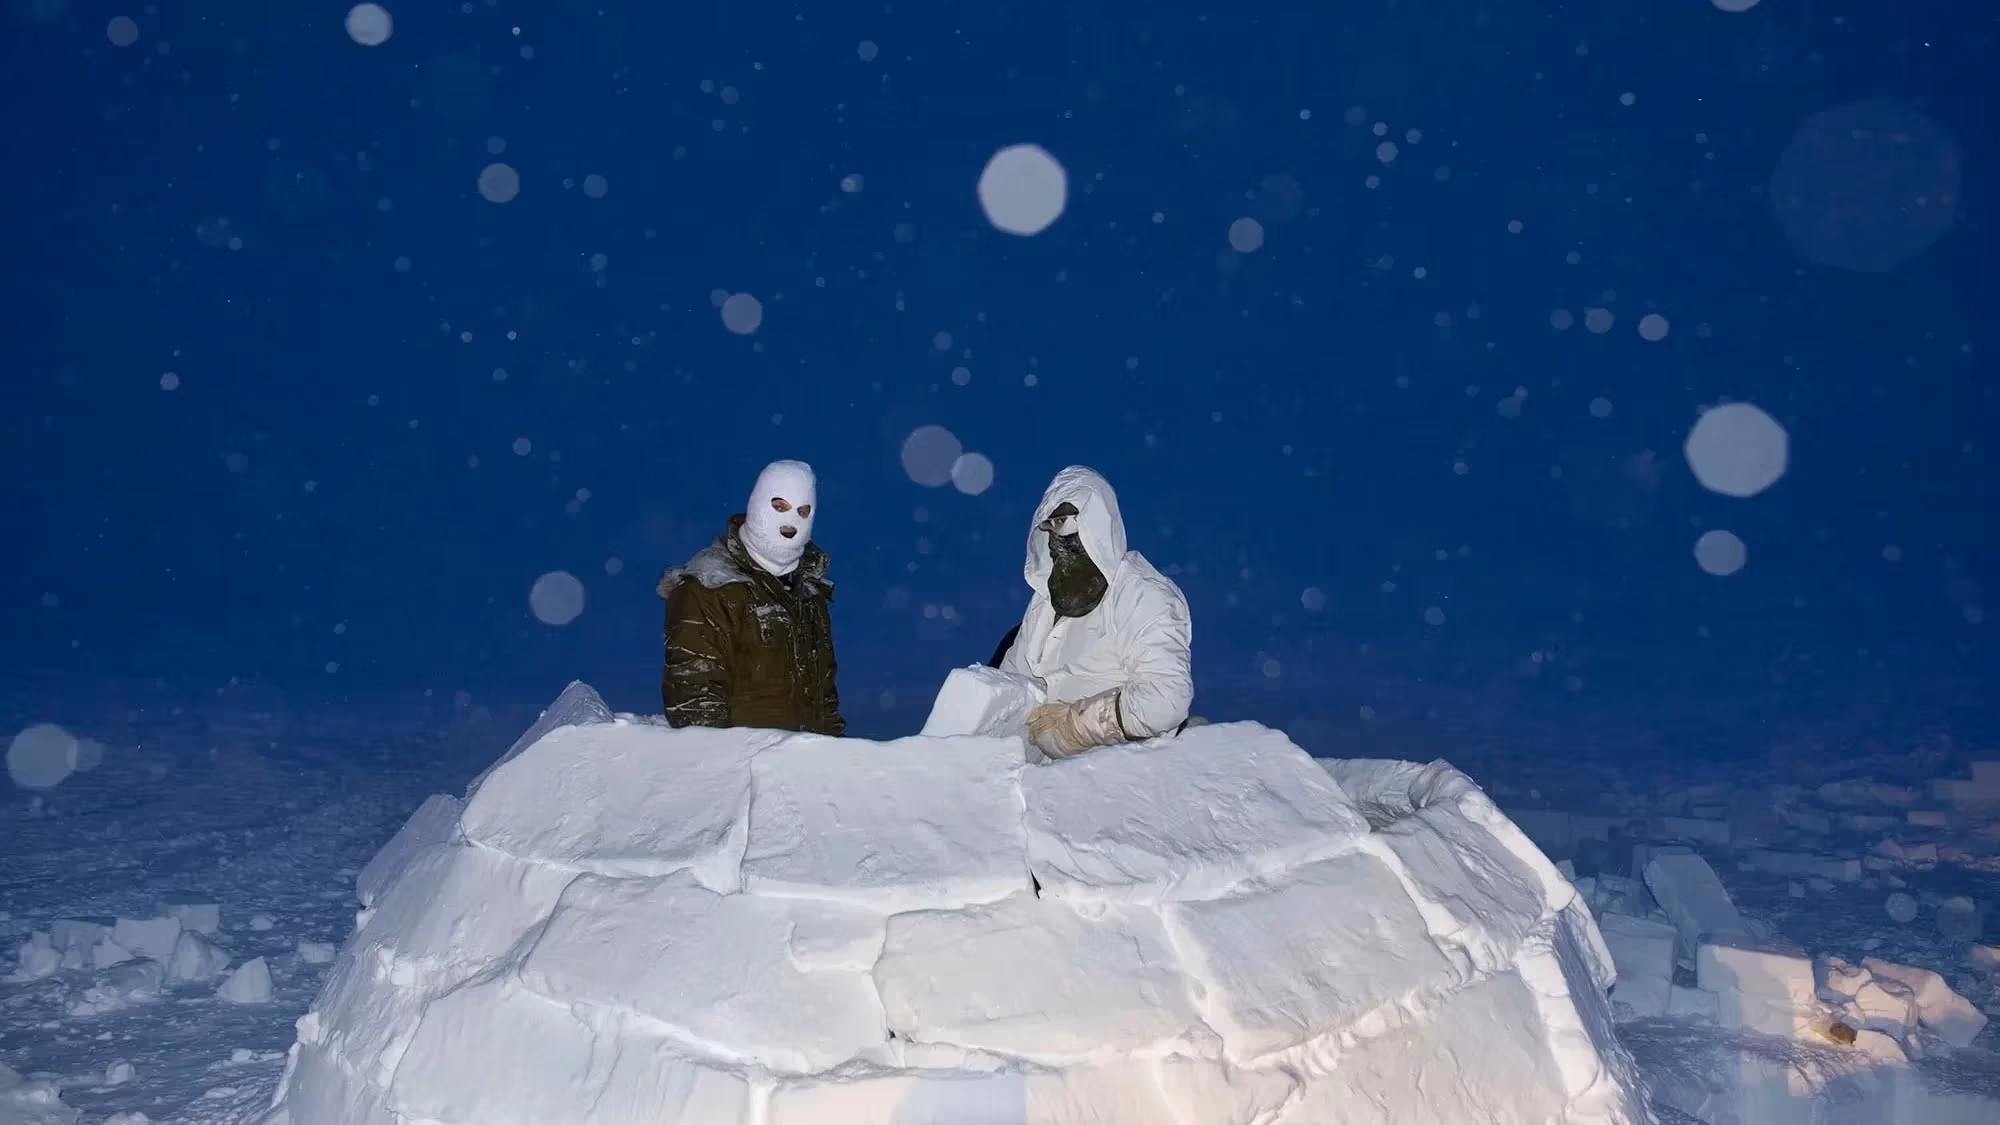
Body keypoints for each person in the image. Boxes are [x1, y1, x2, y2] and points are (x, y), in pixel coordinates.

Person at [999, 466, 1193, 759]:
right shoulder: (1044, 603)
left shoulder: (1142, 595)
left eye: (1064, 521)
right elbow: (1012, 682)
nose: (1057, 536)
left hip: (1121, 780)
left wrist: (1075, 726)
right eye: (1050, 525)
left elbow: (1166, 699)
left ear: (1096, 524)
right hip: (1040, 784)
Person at [656, 460, 844, 735]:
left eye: (803, 511)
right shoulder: (710, 588)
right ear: (757, 505)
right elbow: (696, 708)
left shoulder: (809, 593)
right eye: (779, 506)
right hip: (747, 773)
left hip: (807, 773)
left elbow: (825, 701)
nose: (790, 521)